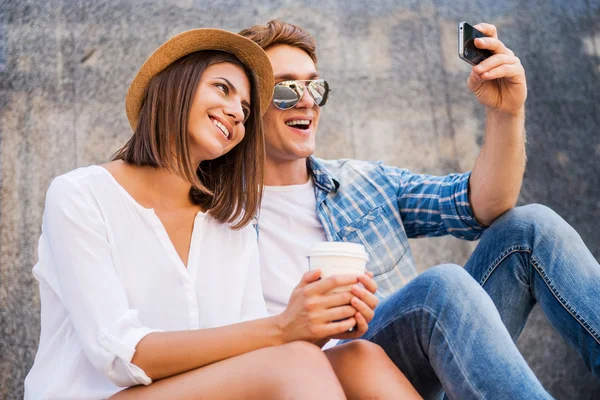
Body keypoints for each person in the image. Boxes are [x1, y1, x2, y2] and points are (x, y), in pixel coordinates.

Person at [24, 28, 422, 399]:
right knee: (296, 361)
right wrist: (284, 327)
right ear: (174, 88)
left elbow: (249, 350)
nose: (235, 111)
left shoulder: (230, 219)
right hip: (100, 393)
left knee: (358, 356)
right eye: (222, 88)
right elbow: (121, 356)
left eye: (246, 109)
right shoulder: (80, 194)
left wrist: (318, 324)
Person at [240, 20, 600, 398]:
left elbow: (480, 204)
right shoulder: (213, 215)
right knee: (439, 289)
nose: (307, 100)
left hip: (423, 368)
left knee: (531, 228)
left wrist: (506, 113)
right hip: (320, 381)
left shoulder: (364, 182)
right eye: (285, 88)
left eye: (314, 85)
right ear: (247, 103)